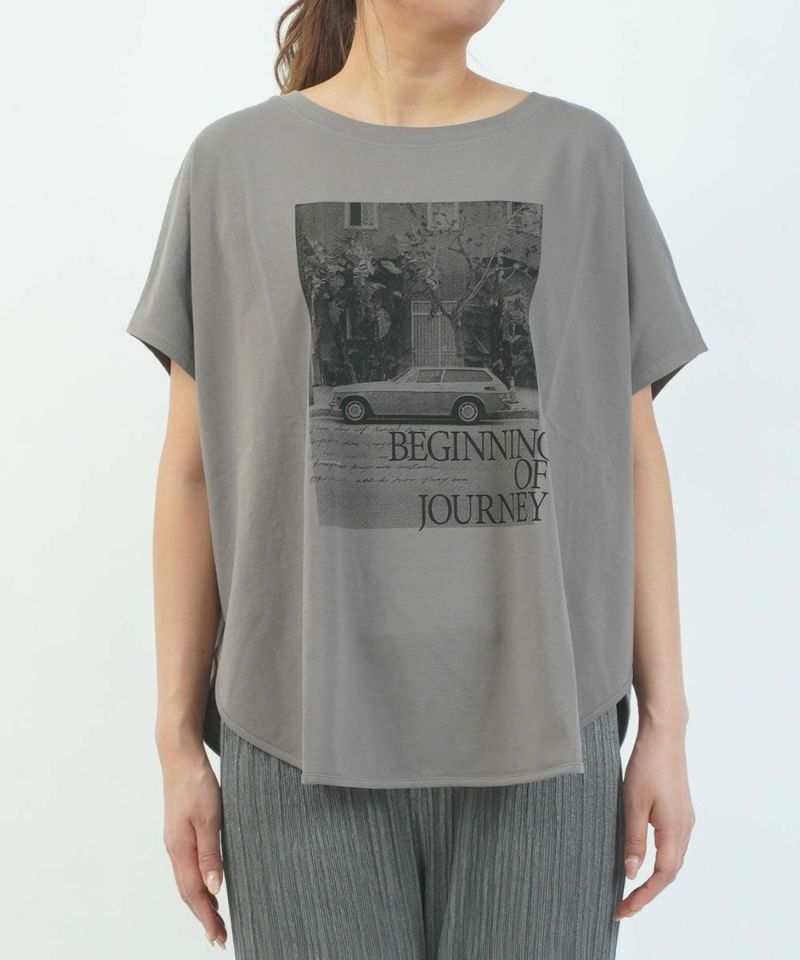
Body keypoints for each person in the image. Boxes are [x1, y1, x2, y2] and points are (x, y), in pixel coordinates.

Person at [127, 1, 707, 956]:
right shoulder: (232, 165)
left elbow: (634, 457)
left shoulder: (582, 159)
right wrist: (175, 743)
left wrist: (667, 728)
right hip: (297, 730)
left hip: (547, 734)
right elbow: (192, 473)